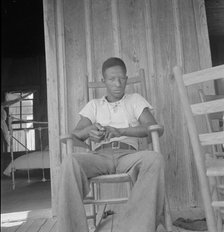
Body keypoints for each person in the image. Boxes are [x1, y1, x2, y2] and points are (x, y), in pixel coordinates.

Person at [57, 57, 165, 232]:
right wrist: (89, 130)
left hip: (129, 156)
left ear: (127, 79)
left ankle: (137, 227)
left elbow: (154, 129)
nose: (117, 83)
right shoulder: (94, 106)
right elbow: (75, 135)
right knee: (70, 161)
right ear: (103, 81)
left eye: (121, 78)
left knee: (154, 159)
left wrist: (121, 131)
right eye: (112, 79)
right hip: (100, 156)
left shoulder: (135, 100)